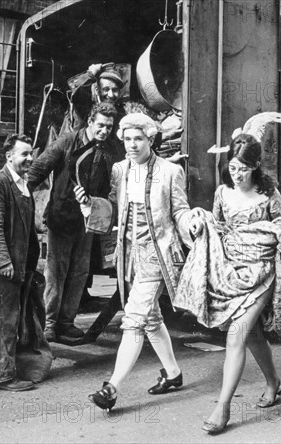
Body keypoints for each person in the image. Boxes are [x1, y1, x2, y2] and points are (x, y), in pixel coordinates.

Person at [180, 133, 281, 435]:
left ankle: (222, 407)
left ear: (255, 166)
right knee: (251, 336)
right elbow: (219, 226)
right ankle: (273, 382)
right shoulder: (223, 192)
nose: (237, 175)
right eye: (233, 168)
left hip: (262, 272)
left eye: (243, 168)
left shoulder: (270, 194)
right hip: (232, 272)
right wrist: (200, 225)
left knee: (236, 335)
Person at [73, 113, 199, 410]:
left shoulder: (171, 171)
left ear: (150, 139)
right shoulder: (119, 170)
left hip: (158, 253)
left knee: (134, 318)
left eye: (138, 139)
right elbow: (113, 210)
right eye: (127, 139)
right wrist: (88, 204)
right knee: (151, 317)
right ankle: (173, 373)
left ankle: (111, 388)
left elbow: (179, 211)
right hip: (129, 255)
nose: (131, 144)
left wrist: (191, 223)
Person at [27, 102, 120, 342]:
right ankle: (49, 323)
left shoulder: (109, 149)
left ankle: (66, 322)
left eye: (109, 127)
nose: (104, 131)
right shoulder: (67, 142)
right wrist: (19, 199)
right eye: (100, 125)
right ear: (90, 121)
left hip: (89, 221)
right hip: (61, 218)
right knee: (56, 272)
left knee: (80, 272)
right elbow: (37, 170)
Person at [0, 134, 50, 391]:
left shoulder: (22, 184)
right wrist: (3, 262)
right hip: (3, 266)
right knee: (6, 319)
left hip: (18, 264)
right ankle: (2, 376)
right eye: (23, 154)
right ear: (9, 156)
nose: (29, 159)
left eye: (31, 154)